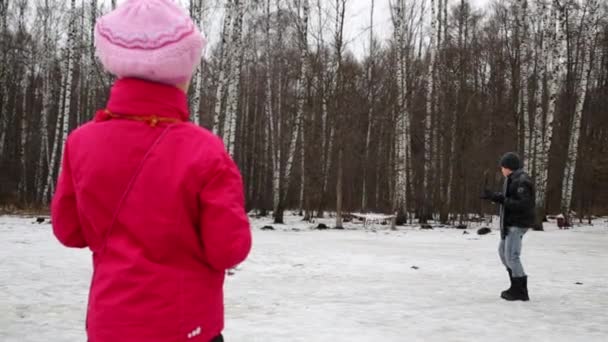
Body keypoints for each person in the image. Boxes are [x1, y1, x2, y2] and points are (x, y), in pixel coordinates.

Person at [51, 0, 252, 340]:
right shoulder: (204, 150)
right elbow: (228, 249)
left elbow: (70, 231)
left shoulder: (81, 143)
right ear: (182, 71)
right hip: (187, 328)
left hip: (110, 327)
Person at [481, 152, 535, 301]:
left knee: (512, 256)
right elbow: (508, 199)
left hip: (517, 224)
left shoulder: (522, 181)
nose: (501, 170)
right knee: (503, 252)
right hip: (509, 223)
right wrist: (494, 196)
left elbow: (523, 204)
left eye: (502, 167)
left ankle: (521, 290)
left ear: (509, 167)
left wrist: (501, 199)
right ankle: (514, 285)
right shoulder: (511, 179)